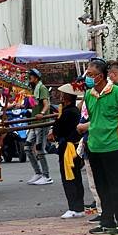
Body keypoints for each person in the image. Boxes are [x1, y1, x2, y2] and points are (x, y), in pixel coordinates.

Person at [77, 59, 118, 235]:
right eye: (87, 74)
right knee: (102, 187)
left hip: (117, 146)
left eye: (91, 74)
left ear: (101, 76)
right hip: (95, 146)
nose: (88, 77)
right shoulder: (89, 95)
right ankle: (107, 221)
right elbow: (94, 119)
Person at [49, 84, 84, 219]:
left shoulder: (69, 112)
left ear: (67, 97)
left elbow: (58, 130)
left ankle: (74, 207)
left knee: (69, 178)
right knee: (75, 177)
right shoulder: (72, 110)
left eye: (62, 95)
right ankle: (78, 207)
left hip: (68, 147)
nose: (60, 97)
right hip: (72, 146)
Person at [26, 69, 52, 185]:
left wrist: (41, 113)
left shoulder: (42, 88)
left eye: (30, 77)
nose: (29, 80)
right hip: (34, 123)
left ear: (36, 78)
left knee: (39, 149)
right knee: (27, 148)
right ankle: (38, 173)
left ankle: (46, 176)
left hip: (42, 123)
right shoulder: (33, 89)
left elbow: (47, 104)